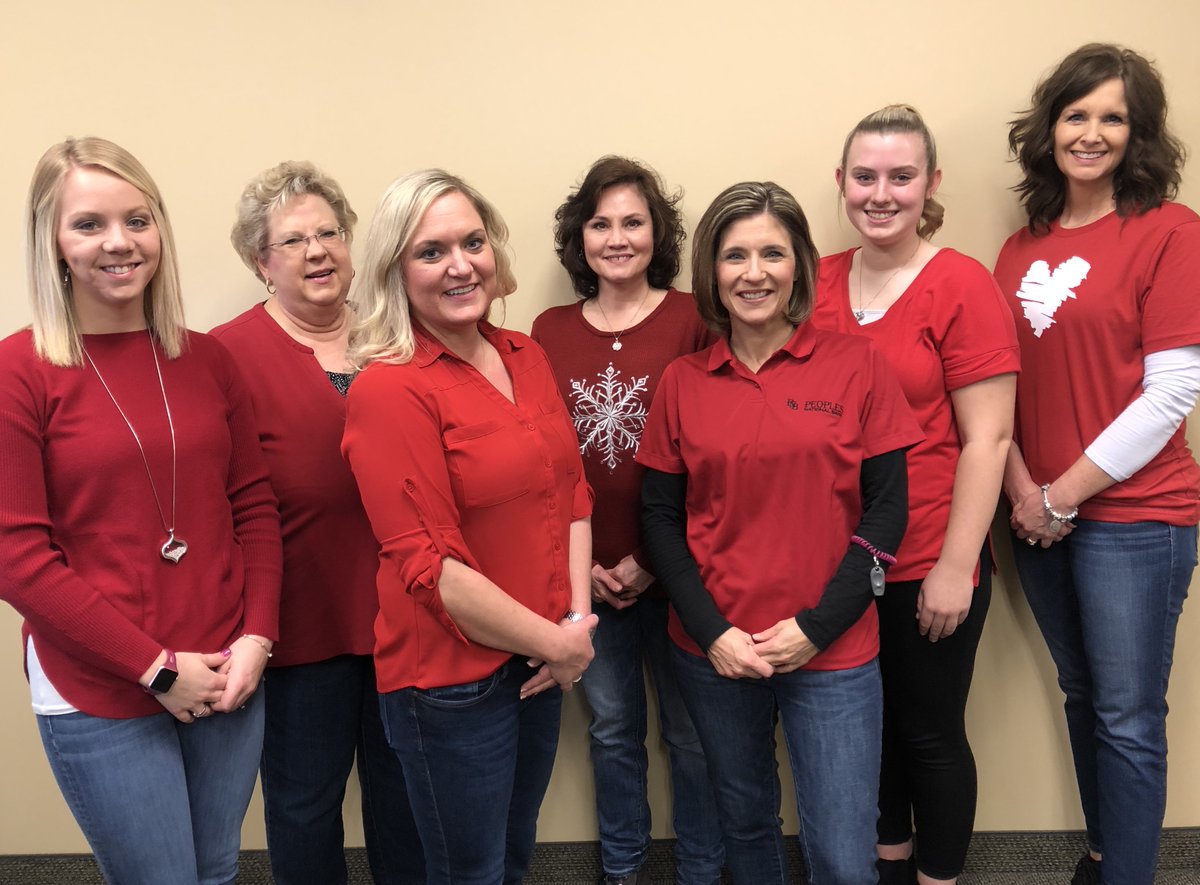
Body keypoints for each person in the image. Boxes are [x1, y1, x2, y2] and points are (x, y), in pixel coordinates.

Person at [0, 136, 282, 885]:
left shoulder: (208, 359)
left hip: (227, 670)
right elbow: (17, 558)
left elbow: (252, 506)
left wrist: (258, 636)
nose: (119, 242)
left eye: (137, 219)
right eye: (88, 224)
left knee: (217, 870)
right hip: (100, 685)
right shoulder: (19, 371)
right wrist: (156, 670)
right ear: (53, 243)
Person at [638, 180, 923, 885]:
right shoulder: (682, 381)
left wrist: (818, 626)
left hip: (832, 650)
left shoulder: (857, 366)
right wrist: (712, 632)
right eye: (735, 256)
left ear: (799, 264)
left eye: (772, 252)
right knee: (746, 825)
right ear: (712, 271)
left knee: (841, 850)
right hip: (716, 651)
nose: (754, 272)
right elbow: (660, 519)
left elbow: (887, 512)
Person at [341, 168, 599, 885]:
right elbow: (430, 567)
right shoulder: (389, 388)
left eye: (473, 242)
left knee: (513, 857)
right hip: (451, 682)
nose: (460, 265)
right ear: (396, 269)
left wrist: (574, 622)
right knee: (469, 873)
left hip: (542, 660)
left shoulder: (524, 354)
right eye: (431, 251)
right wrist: (561, 642)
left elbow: (572, 494)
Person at [994, 43, 1200, 885]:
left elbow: (1170, 393)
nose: (1091, 132)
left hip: (1135, 518)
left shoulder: (1170, 233)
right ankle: (1107, 852)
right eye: (1076, 114)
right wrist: (1022, 492)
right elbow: (993, 388)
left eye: (1112, 117)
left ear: (1138, 132)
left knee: (1125, 715)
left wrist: (1062, 495)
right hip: (1038, 513)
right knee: (1084, 695)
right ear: (1048, 129)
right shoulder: (1018, 248)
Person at [811, 106, 1019, 885]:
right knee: (873, 730)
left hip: (929, 552)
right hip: (840, 564)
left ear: (930, 184)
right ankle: (889, 863)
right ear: (841, 183)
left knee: (928, 732)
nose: (881, 193)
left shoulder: (960, 284)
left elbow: (988, 439)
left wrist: (955, 566)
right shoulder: (819, 280)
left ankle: (938, 877)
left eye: (901, 176)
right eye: (865, 176)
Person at [211, 161, 423, 885]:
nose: (318, 251)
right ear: (260, 261)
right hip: (297, 623)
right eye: (294, 239)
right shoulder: (225, 355)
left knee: (406, 803)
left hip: (408, 614)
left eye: (329, 232)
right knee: (304, 807)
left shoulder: (394, 337)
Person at [531, 156, 723, 885]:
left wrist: (649, 560)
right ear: (580, 237)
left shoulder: (697, 319)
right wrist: (588, 570)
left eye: (633, 222)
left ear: (658, 232)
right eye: (601, 222)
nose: (617, 237)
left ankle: (704, 869)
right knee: (612, 733)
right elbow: (545, 465)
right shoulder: (546, 332)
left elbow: (715, 458)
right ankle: (623, 870)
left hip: (679, 571)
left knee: (691, 736)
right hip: (587, 577)